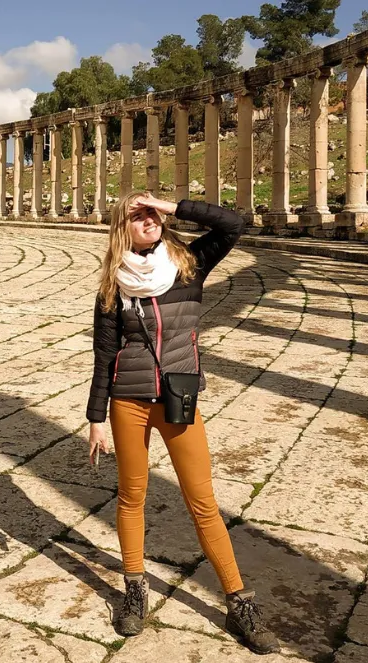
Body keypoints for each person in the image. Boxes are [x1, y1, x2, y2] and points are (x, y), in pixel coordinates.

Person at [86, 192, 280, 654]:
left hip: (177, 398)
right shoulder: (113, 286)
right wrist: (96, 418)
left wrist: (171, 204)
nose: (147, 219)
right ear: (122, 228)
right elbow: (103, 355)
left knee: (202, 500)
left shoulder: (188, 265)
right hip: (127, 401)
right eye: (137, 215)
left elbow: (233, 224)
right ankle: (135, 590)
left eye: (151, 213)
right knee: (132, 496)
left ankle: (238, 601)